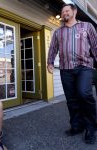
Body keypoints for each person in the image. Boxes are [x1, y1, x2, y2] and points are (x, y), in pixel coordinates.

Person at [47, 3, 97, 144]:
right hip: (65, 68)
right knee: (71, 99)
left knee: (84, 94)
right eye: (63, 12)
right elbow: (53, 48)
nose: (64, 14)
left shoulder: (87, 27)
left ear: (74, 11)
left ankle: (91, 127)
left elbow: (95, 45)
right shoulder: (58, 32)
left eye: (67, 11)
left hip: (84, 66)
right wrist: (50, 62)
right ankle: (77, 125)